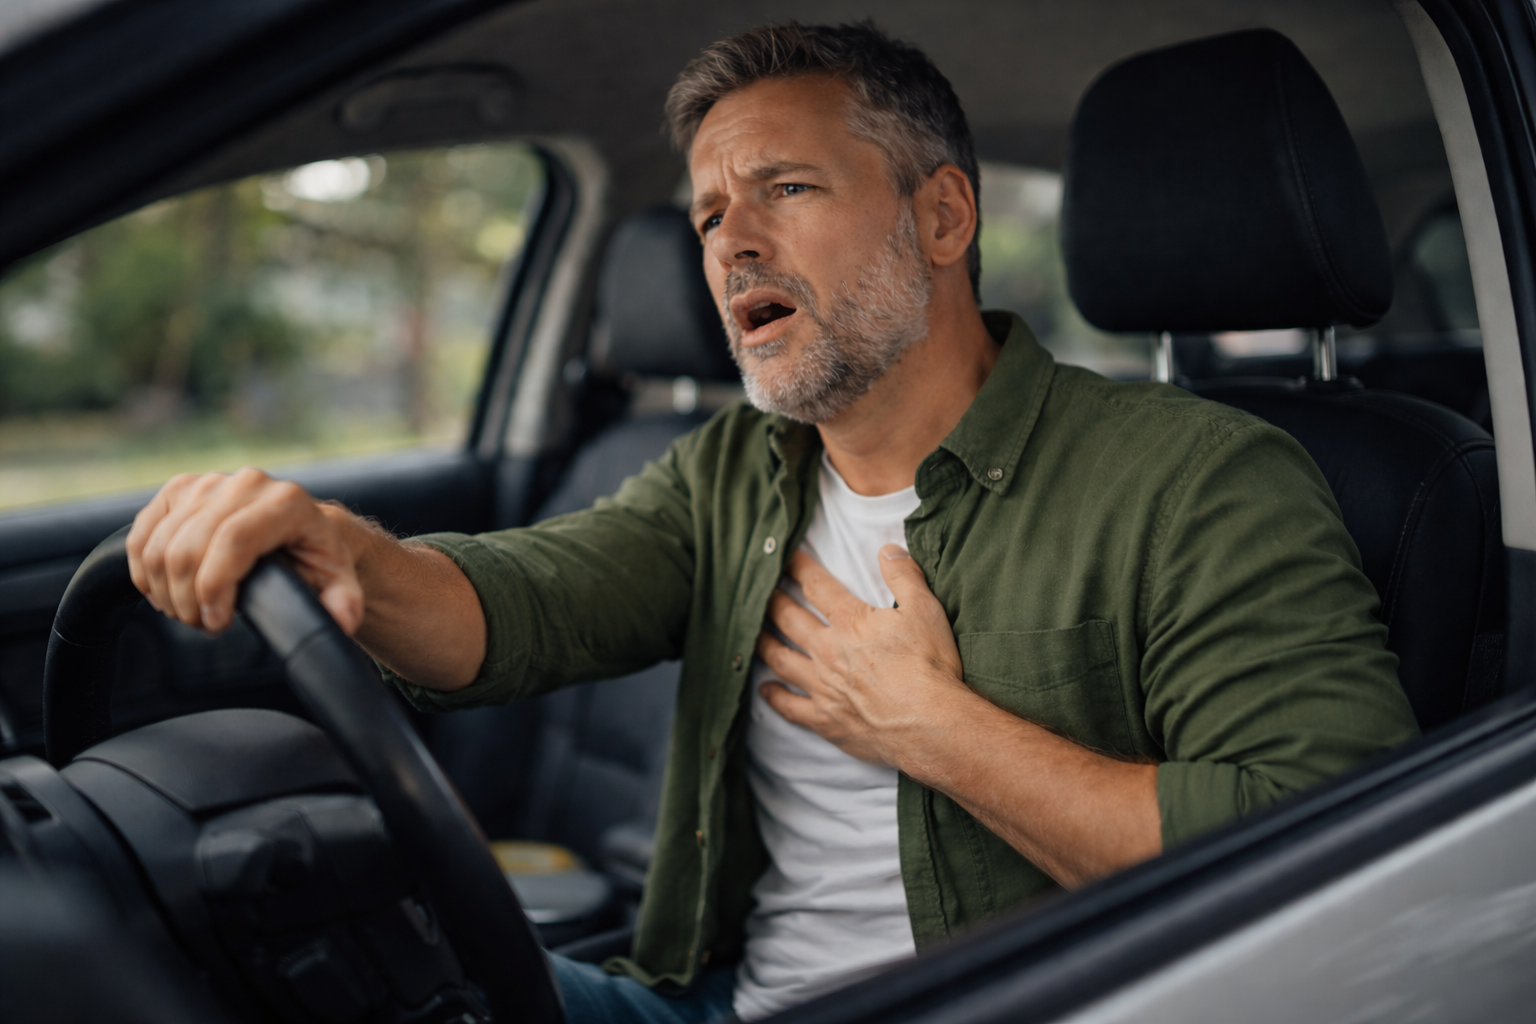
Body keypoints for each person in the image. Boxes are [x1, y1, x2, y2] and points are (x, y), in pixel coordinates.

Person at [125, 21, 1419, 1024]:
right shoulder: (737, 472)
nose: (729, 242)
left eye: (784, 188)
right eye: (706, 214)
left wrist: (938, 732)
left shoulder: (1200, 479)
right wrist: (343, 556)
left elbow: (1347, 854)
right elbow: (521, 604)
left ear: (944, 216)